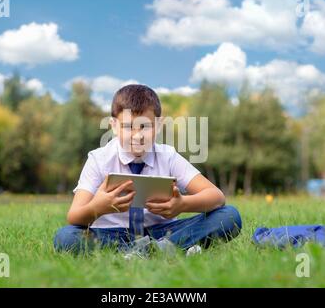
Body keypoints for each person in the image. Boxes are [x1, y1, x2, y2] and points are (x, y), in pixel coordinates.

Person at [53, 84, 242, 255]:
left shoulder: (168, 156)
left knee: (229, 216)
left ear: (158, 125)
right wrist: (98, 208)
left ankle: (148, 251)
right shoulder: (98, 159)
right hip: (112, 234)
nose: (138, 135)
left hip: (162, 232)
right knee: (66, 237)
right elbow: (74, 216)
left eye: (145, 126)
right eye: (128, 127)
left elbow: (216, 196)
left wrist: (182, 204)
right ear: (114, 126)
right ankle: (161, 251)